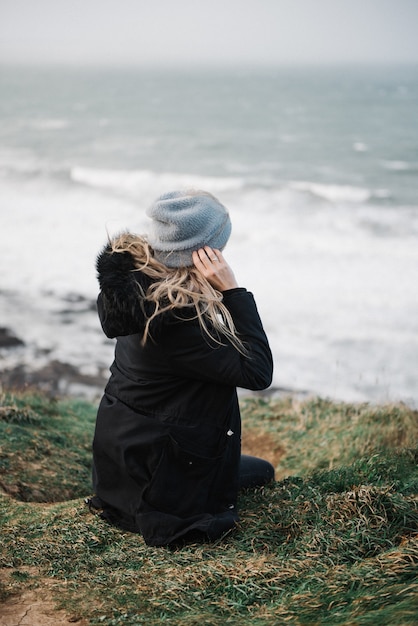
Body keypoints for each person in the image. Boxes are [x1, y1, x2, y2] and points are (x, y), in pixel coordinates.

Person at [88, 189, 274, 547]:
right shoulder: (178, 320)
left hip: (121, 471)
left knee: (249, 467)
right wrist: (233, 291)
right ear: (205, 254)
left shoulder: (138, 290)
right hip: (156, 492)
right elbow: (258, 372)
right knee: (263, 471)